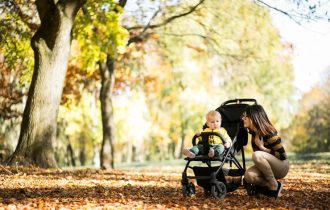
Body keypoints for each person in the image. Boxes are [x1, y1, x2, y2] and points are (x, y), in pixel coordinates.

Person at [242, 104, 289, 198]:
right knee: (248, 175)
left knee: (257, 155)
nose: (243, 119)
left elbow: (283, 155)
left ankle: (273, 185)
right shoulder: (254, 135)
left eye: (246, 117)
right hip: (270, 167)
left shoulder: (269, 133)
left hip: (282, 166)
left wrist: (262, 148)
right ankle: (273, 185)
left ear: (253, 118)